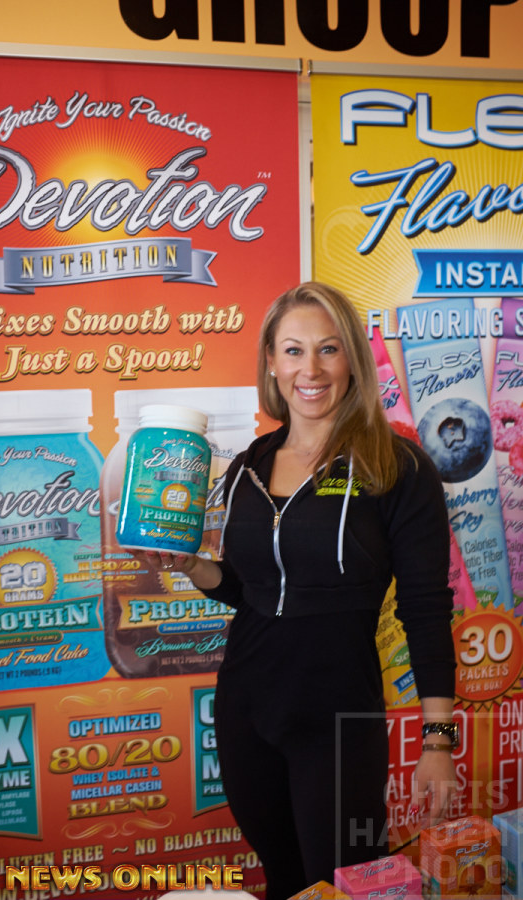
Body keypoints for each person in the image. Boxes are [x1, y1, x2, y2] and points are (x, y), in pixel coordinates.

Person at [132, 282, 457, 899]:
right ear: (272, 362)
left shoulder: (397, 467)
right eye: (294, 350)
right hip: (246, 710)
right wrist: (192, 565)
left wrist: (438, 742)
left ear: (352, 359)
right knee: (284, 880)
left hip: (337, 721)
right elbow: (251, 589)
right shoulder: (248, 465)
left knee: (345, 883)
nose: (311, 369)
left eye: (329, 349)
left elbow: (425, 609)